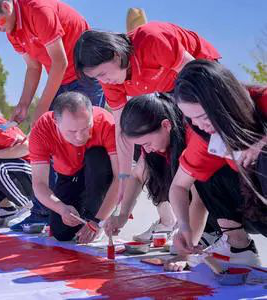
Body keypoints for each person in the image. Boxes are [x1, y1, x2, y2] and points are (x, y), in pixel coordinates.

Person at [73, 21, 221, 237]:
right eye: (97, 78)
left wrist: (209, 121)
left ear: (115, 55)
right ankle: (171, 220)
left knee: (191, 151)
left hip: (200, 83)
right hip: (166, 94)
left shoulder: (151, 39)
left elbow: (197, 76)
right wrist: (122, 178)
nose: (103, 81)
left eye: (103, 74)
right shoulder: (111, 81)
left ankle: (209, 229)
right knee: (152, 152)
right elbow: (124, 131)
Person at [111, 93, 263, 270]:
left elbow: (199, 201)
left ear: (166, 125)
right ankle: (210, 233)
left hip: (250, 207)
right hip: (224, 211)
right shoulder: (156, 147)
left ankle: (235, 243)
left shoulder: (193, 136)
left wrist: (186, 252)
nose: (147, 149)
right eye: (141, 145)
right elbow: (137, 176)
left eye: (146, 142)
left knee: (200, 176)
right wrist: (122, 215)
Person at [164, 60, 267, 269]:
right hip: (257, 212)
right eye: (192, 119)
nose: (200, 125)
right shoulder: (208, 137)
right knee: (206, 175)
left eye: (203, 116)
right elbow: (178, 186)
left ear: (224, 102)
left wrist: (262, 142)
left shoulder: (262, 100)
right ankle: (239, 247)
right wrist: (185, 229)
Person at [0, 0, 105, 127]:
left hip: (88, 72)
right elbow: (33, 67)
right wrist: (23, 105)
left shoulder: (38, 10)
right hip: (61, 80)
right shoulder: (11, 32)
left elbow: (59, 62)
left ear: (6, 6)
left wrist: (41, 108)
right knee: (54, 133)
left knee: (85, 131)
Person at [29, 91, 119, 243]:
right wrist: (61, 208)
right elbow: (39, 184)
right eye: (71, 131)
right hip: (69, 174)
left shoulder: (106, 122)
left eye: (86, 128)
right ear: (56, 122)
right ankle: (86, 212)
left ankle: (99, 214)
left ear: (92, 115)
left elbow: (121, 177)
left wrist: (97, 221)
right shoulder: (42, 129)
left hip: (99, 171)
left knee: (96, 156)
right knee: (61, 233)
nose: (79, 137)